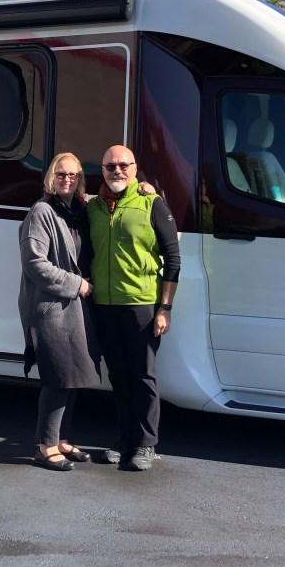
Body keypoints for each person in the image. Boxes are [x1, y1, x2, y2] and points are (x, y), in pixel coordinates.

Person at [88, 145, 181, 471]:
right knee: (118, 376)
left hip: (142, 305)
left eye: (123, 165)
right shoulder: (93, 207)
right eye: (110, 166)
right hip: (105, 305)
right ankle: (125, 440)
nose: (117, 170)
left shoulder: (151, 203)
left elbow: (173, 258)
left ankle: (146, 443)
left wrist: (165, 308)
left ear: (135, 167)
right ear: (102, 170)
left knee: (143, 376)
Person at [17, 152, 101, 471]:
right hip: (51, 308)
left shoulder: (80, 208)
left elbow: (115, 194)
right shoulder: (41, 211)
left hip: (76, 308)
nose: (67, 179)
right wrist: (76, 283)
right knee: (58, 377)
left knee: (73, 375)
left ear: (80, 178)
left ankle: (61, 439)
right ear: (51, 177)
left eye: (73, 175)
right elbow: (34, 263)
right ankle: (44, 446)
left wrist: (146, 189)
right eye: (61, 174)